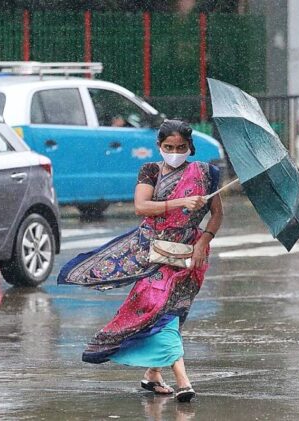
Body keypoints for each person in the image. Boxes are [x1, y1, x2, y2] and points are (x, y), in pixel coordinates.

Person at [57, 119, 223, 403]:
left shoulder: (206, 174)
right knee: (159, 310)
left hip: (189, 256)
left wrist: (202, 243)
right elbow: (141, 206)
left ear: (190, 147)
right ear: (159, 146)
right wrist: (181, 203)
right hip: (152, 252)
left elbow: (217, 214)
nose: (174, 152)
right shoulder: (150, 171)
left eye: (181, 147)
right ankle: (183, 380)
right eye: (168, 147)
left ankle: (152, 374)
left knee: (175, 312)